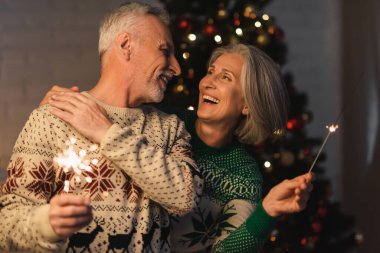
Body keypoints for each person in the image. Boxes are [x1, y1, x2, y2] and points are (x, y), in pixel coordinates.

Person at [40, 43, 313, 253]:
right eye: (210, 72)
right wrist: (67, 104)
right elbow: (103, 126)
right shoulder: (163, 122)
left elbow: (226, 250)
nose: (207, 82)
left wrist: (268, 212)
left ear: (248, 105)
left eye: (225, 77)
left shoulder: (242, 174)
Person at [0, 2, 202, 252]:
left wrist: (107, 133)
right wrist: (46, 223)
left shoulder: (170, 128)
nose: (176, 67)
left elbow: (187, 198)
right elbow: (7, 224)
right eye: (164, 50)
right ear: (126, 45)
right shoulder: (52, 119)